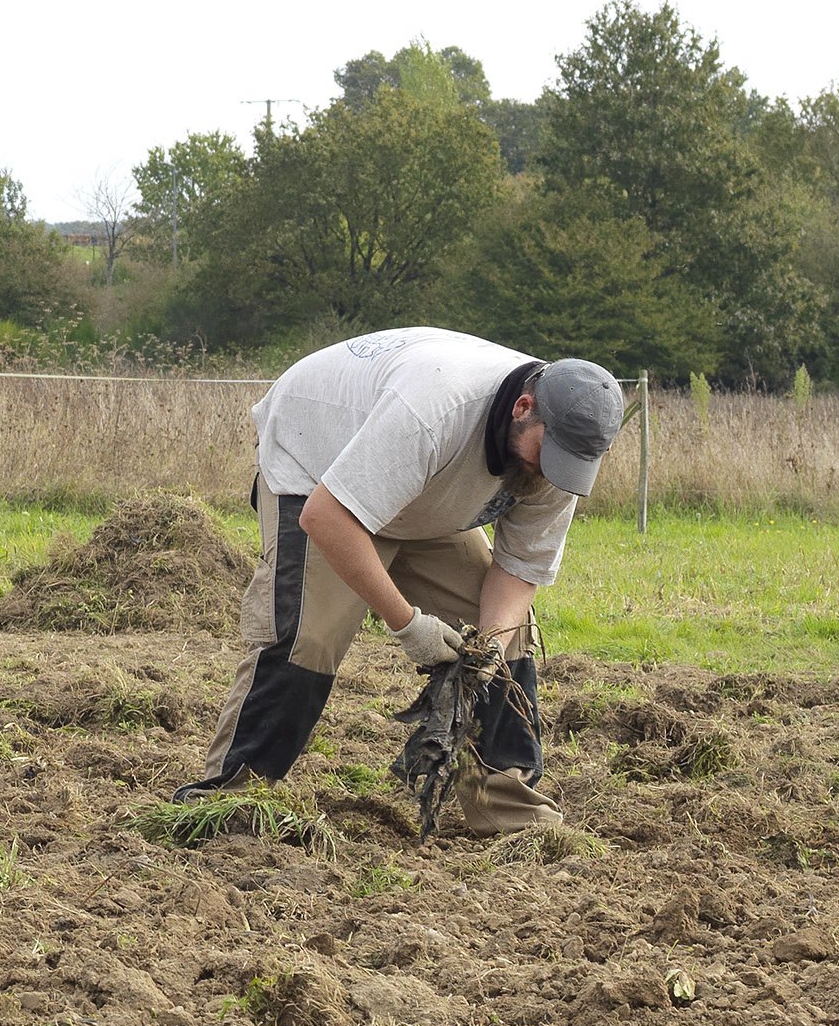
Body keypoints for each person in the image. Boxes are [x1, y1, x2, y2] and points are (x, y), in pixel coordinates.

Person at [181, 329, 624, 834]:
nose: (551, 473)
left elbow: (519, 569)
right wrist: (408, 624)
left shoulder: (561, 453)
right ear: (523, 407)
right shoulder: (436, 410)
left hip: (424, 497)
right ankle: (229, 799)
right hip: (318, 468)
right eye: (547, 455)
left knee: (502, 636)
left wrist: (491, 646)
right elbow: (327, 517)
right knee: (311, 636)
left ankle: (507, 809)